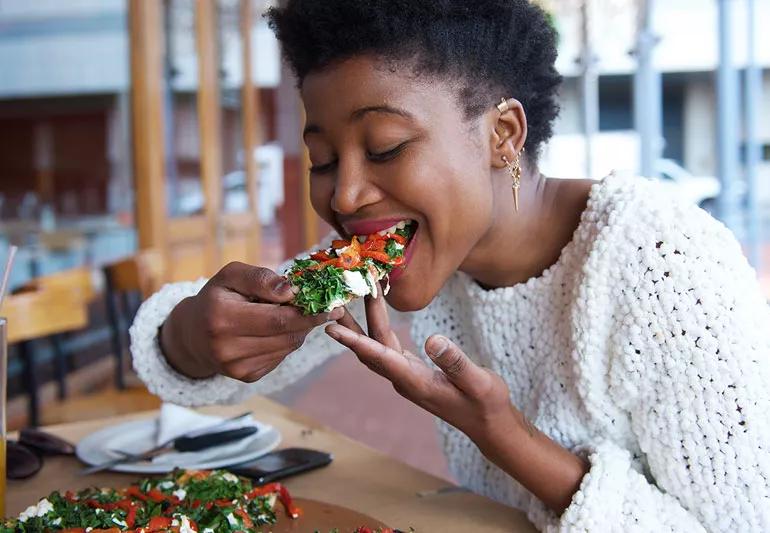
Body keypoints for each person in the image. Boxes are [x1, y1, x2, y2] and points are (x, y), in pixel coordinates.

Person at [129, 1, 770, 530]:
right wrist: (195, 331)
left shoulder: (662, 262)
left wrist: (504, 436)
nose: (345, 196)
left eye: (386, 147)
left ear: (504, 135)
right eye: (322, 159)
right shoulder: (404, 248)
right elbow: (204, 362)